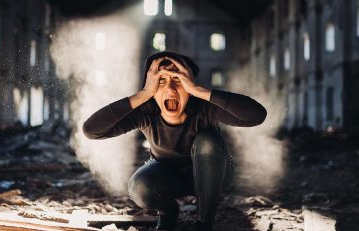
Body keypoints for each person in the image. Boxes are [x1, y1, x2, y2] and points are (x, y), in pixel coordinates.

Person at [82, 51, 267, 231]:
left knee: (208, 141)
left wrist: (198, 90)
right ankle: (169, 212)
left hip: (214, 176)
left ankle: (204, 223)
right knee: (139, 187)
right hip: (168, 177)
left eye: (178, 80)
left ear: (189, 87)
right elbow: (92, 130)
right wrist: (144, 93)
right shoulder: (147, 111)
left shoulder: (204, 108)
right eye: (161, 81)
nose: (170, 88)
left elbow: (257, 115)